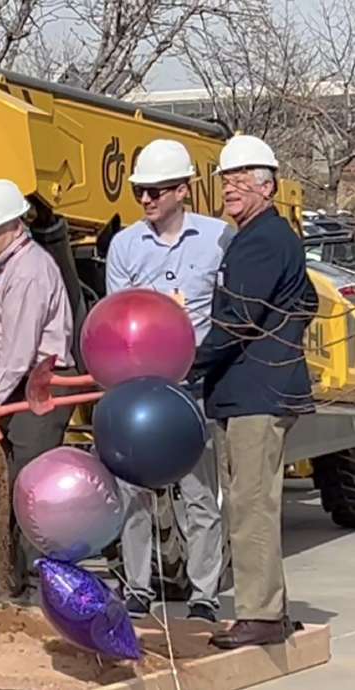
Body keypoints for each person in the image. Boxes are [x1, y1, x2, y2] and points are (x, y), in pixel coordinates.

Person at [187, 135, 317, 649]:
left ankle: (260, 615)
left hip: (256, 394)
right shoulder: (268, 236)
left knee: (248, 505)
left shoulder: (262, 239)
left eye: (243, 179)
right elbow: (302, 299)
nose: (230, 188)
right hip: (255, 389)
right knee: (252, 501)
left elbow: (237, 320)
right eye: (225, 179)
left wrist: (188, 361)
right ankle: (270, 610)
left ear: (269, 186)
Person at [105, 139, 231, 623]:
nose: (146, 200)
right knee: (133, 492)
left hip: (192, 389)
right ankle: (137, 587)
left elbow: (229, 309)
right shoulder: (125, 244)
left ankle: (204, 592)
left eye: (156, 190)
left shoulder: (218, 238)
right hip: (137, 388)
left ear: (183, 190)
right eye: (140, 191)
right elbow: (118, 317)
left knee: (199, 495)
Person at [0, 178, 76, 601]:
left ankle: (37, 585)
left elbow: (19, 349)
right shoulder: (12, 267)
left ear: (14, 225)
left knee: (31, 487)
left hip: (34, 391)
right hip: (15, 389)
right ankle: (13, 580)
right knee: (9, 487)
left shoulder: (28, 272)